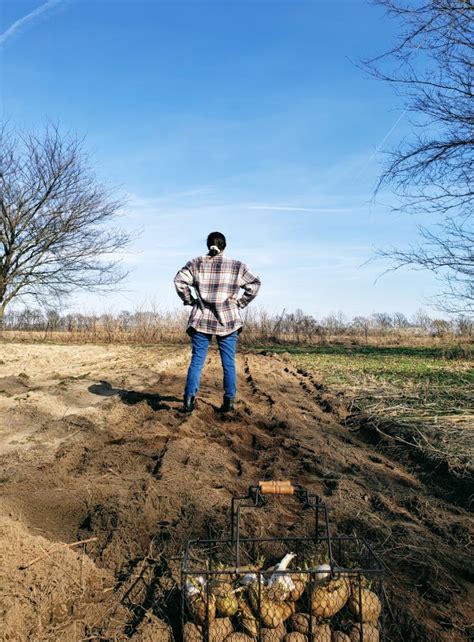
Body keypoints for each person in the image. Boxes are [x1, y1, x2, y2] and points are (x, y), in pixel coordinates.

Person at [174, 232, 261, 413]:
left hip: (201, 318)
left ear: (208, 245)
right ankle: (228, 403)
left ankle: (188, 402)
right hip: (228, 320)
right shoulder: (237, 266)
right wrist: (240, 302)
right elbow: (255, 284)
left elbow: (179, 281)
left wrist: (190, 300)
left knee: (197, 361)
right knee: (228, 362)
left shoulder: (195, 263)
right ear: (224, 246)